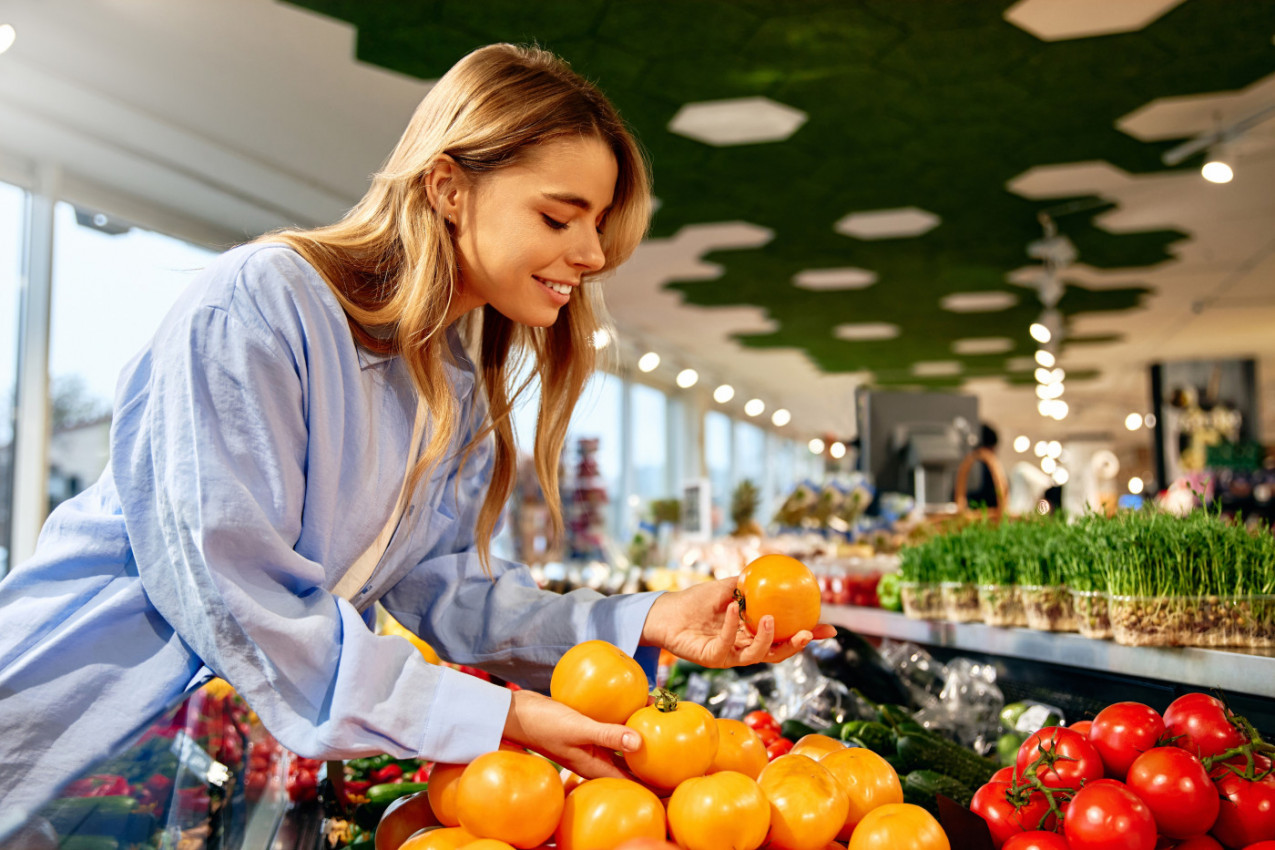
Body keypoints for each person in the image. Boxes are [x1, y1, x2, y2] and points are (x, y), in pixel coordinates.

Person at [0, 43, 832, 826]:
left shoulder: (448, 387)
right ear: (447, 188)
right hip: (59, 731)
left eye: (598, 220)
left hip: (199, 771)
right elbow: (236, 589)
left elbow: (449, 590)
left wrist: (646, 619)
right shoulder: (259, 305)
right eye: (558, 216)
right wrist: (493, 714)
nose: (590, 253)